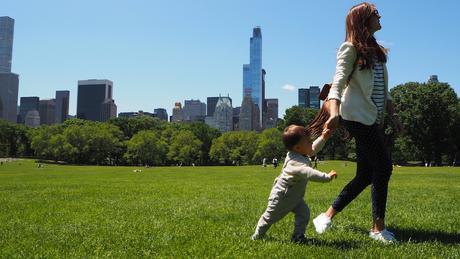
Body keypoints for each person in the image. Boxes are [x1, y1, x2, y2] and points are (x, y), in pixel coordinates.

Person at [311, 2, 402, 244]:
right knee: (383, 167)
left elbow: (385, 90)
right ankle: (377, 228)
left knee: (365, 174)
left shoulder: (377, 51)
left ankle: (325, 216)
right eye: (375, 13)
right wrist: (334, 113)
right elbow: (338, 84)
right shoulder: (350, 48)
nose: (380, 16)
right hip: (356, 117)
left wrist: (393, 115)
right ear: (363, 19)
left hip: (372, 118)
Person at [251, 125, 337, 243]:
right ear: (297, 147)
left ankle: (298, 237)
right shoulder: (295, 163)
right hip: (282, 196)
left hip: (294, 197)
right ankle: (256, 237)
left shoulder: (298, 152)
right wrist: (327, 177)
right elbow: (309, 173)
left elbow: (312, 150)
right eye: (308, 141)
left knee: (304, 213)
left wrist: (323, 138)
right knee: (269, 217)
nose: (311, 143)